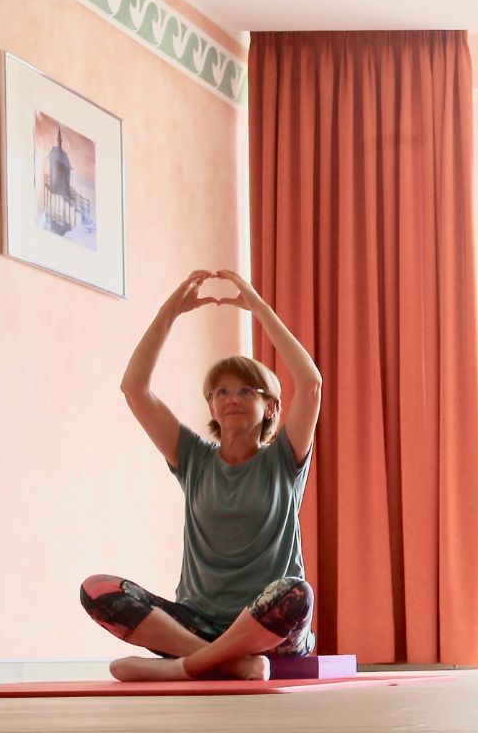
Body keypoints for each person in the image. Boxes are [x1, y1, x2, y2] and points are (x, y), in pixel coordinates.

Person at [79, 269, 322, 681]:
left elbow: (311, 384)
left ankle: (187, 667)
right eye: (221, 392)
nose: (232, 399)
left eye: (248, 391)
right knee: (97, 588)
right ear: (210, 406)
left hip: (267, 627)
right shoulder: (193, 457)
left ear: (271, 408)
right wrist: (169, 312)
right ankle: (222, 661)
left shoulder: (283, 458)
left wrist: (259, 308)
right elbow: (135, 389)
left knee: (297, 594)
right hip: (196, 622)